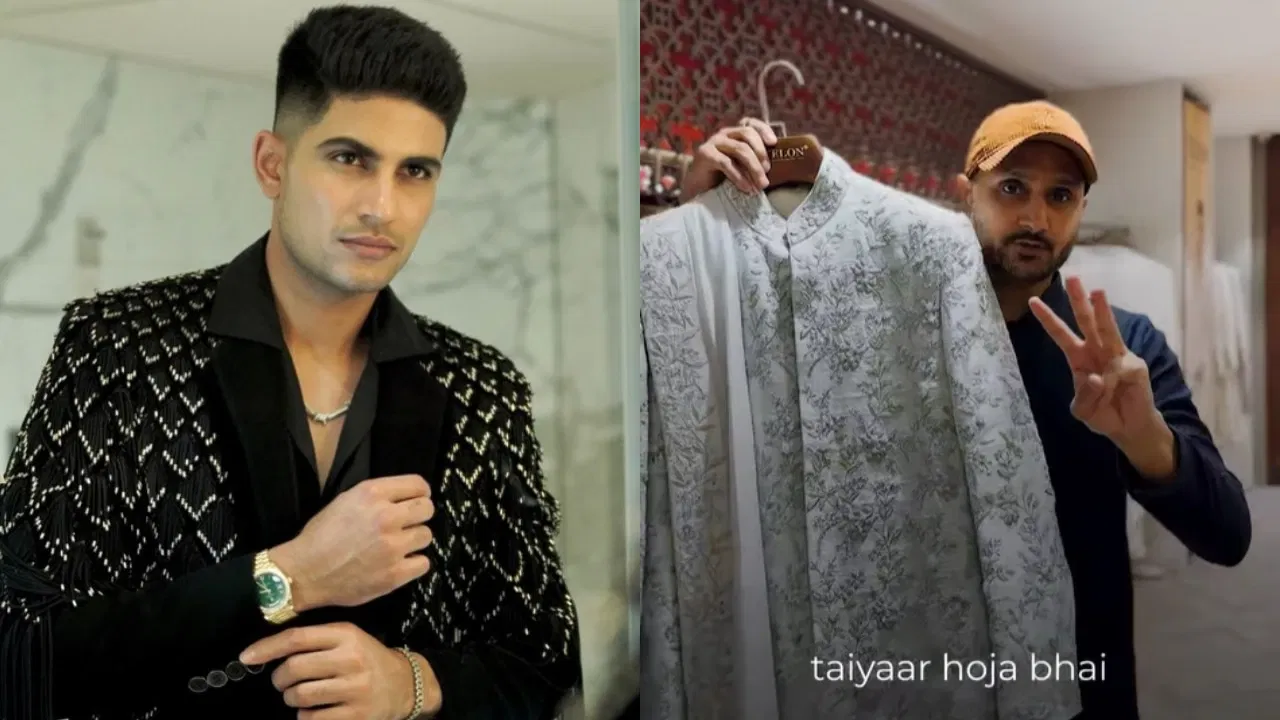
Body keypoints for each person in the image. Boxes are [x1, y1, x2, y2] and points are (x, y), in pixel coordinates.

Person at [0, 6, 579, 720]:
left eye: (415, 171)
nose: (383, 206)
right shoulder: (117, 345)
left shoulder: (482, 387)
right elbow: (21, 650)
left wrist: (411, 682)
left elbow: (547, 657)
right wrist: (288, 579)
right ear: (272, 165)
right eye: (349, 158)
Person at [673, 101, 1251, 719]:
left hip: (1078, 681)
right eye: (1012, 188)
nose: (1035, 218)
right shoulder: (886, 330)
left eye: (1060, 196)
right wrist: (702, 218)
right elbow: (749, 355)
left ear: (1082, 210)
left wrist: (1145, 439)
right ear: (963, 193)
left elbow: (1227, 534)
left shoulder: (1123, 350)